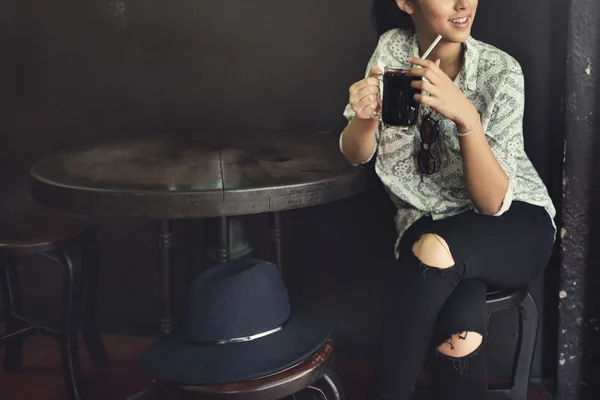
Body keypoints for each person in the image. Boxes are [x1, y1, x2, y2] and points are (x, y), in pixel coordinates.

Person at [339, 1, 556, 399]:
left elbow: (492, 204)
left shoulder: (500, 71)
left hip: (513, 221)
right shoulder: (393, 51)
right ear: (406, 3)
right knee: (461, 330)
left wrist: (466, 117)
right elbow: (356, 153)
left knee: (435, 250)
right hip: (429, 222)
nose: (463, 3)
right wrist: (364, 117)